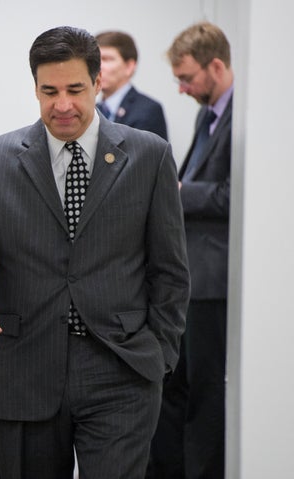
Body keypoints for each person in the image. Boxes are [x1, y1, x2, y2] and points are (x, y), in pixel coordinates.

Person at [0, 26, 190, 479]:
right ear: (35, 88)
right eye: (49, 91)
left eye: (76, 89)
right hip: (22, 366)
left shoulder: (149, 156)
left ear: (99, 83)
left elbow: (170, 269)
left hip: (122, 368)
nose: (62, 105)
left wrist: (160, 355)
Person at [147, 21, 233, 479]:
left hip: (213, 279)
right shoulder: (208, 115)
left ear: (216, 66)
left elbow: (233, 196)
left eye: (187, 78)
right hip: (189, 277)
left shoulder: (243, 118)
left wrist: (177, 190)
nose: (182, 90)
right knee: (174, 386)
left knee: (204, 392)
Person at [95, 30, 168, 140]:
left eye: (107, 59)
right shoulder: (94, 110)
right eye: (96, 60)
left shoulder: (148, 110)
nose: (99, 67)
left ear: (129, 67)